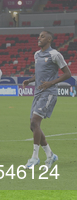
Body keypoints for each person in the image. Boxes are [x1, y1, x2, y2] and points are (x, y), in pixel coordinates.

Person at [22, 31, 71, 169]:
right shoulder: (37, 54)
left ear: (49, 39)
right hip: (38, 93)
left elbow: (67, 73)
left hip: (49, 93)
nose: (39, 38)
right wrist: (30, 80)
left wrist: (51, 83)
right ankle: (50, 155)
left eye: (42, 36)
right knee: (33, 126)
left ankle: (34, 157)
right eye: (38, 36)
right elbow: (38, 73)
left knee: (34, 122)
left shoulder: (55, 54)